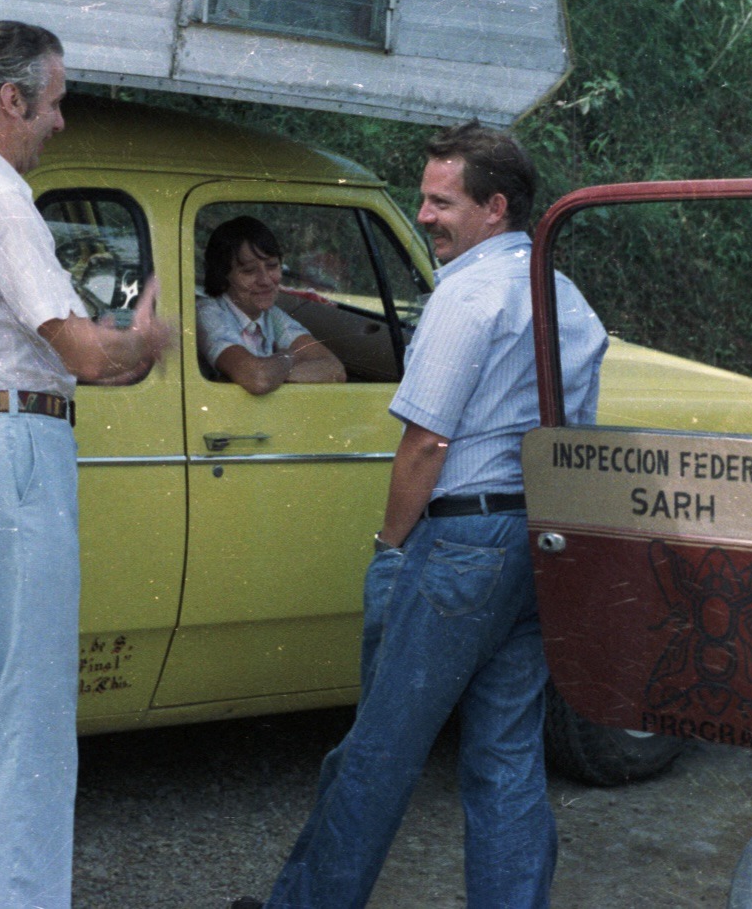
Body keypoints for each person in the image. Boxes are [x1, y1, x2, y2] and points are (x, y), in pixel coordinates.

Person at [233, 122, 607, 909]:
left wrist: (389, 545)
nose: (425, 214)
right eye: (423, 198)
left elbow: (426, 442)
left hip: (463, 539)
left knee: (379, 749)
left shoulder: (467, 294)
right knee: (504, 754)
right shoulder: (564, 297)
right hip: (542, 538)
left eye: (441, 201)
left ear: (494, 206)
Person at [0, 19, 175, 909]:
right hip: (9, 451)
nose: (59, 121)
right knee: (30, 712)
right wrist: (147, 339)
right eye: (52, 103)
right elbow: (85, 353)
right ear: (10, 100)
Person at [197, 216, 347, 394]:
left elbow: (334, 370)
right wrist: (288, 356)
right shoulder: (208, 313)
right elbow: (258, 379)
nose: (265, 280)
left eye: (272, 266)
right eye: (249, 271)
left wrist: (275, 372)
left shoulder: (271, 315)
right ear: (222, 276)